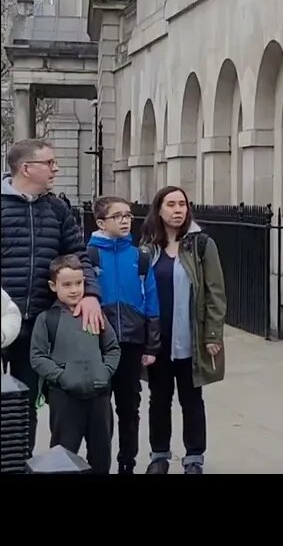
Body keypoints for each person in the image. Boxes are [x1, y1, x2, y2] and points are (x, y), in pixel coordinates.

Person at [1, 138, 105, 439]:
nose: (55, 168)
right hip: (2, 316)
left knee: (27, 402)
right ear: (26, 168)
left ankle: (21, 461)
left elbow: (78, 255)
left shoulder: (58, 209)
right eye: (49, 163)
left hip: (37, 323)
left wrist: (91, 295)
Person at [137, 185, 228, 474]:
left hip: (190, 338)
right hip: (157, 339)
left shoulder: (200, 244)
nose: (178, 210)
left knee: (192, 400)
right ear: (159, 209)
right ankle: (159, 455)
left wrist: (213, 334)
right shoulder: (147, 246)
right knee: (159, 399)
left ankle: (194, 458)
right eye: (171, 204)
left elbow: (216, 292)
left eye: (183, 204)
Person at [87, 195, 161, 474]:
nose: (125, 220)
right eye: (118, 216)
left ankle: (127, 461)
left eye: (128, 215)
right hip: (98, 342)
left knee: (129, 407)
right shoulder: (90, 255)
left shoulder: (139, 257)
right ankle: (100, 462)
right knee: (100, 409)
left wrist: (151, 346)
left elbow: (152, 302)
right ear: (101, 222)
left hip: (131, 342)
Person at [28, 255, 121, 475]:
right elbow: (37, 356)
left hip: (99, 398)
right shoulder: (47, 319)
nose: (74, 290)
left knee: (101, 454)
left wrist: (104, 372)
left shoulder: (95, 315)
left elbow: (113, 348)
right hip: (65, 399)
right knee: (62, 456)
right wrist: (62, 376)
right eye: (67, 284)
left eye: (79, 283)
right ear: (53, 285)